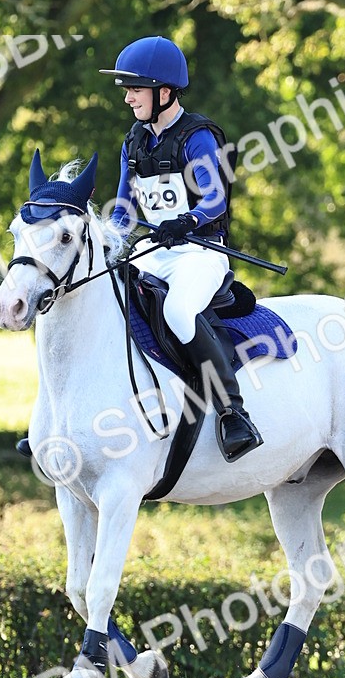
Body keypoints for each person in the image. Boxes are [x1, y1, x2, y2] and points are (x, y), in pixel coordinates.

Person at [100, 35, 263, 462]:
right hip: (155, 251)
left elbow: (216, 201)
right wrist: (104, 239)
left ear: (164, 92)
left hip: (200, 252)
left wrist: (186, 221)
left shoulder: (197, 137)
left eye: (135, 89)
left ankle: (233, 412)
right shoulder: (133, 142)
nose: (128, 98)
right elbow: (123, 208)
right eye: (127, 90)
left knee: (177, 311)